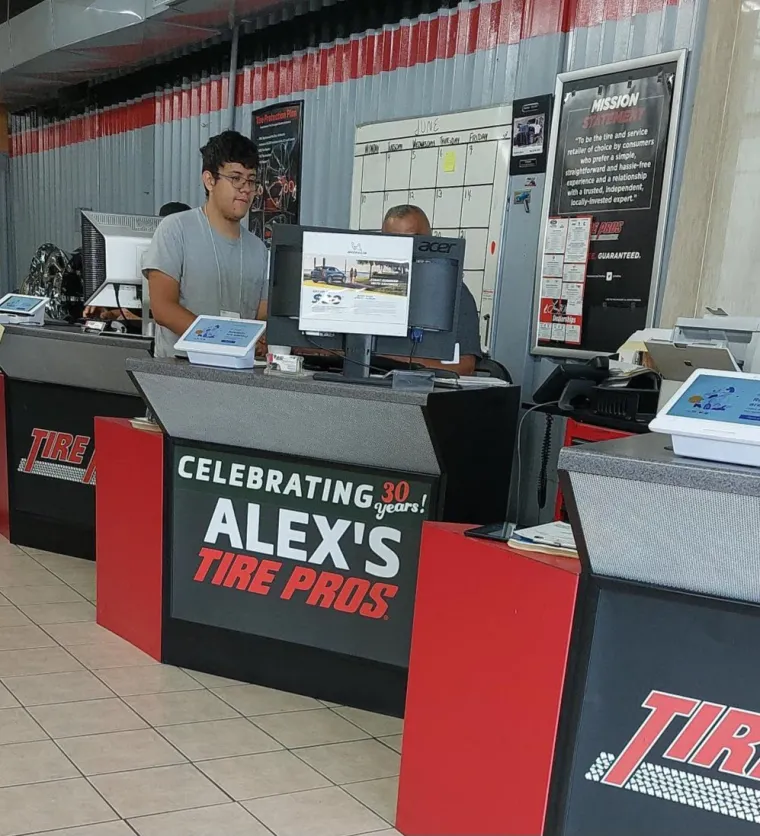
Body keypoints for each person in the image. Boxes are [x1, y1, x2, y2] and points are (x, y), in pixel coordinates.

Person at [143, 131, 268, 358]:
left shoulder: (258, 249)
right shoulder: (176, 229)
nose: (246, 189)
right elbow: (162, 309)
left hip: (240, 376)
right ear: (210, 180)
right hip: (180, 374)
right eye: (236, 178)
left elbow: (260, 313)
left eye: (251, 180)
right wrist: (224, 341)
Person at [381, 204, 482, 376]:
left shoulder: (454, 294)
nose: (401, 250)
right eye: (392, 241)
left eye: (412, 241)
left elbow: (465, 367)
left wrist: (390, 361)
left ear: (430, 242)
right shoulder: (368, 288)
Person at [83, 201, 192, 322]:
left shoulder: (192, 269)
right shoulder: (152, 258)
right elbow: (144, 306)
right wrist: (109, 311)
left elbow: (184, 318)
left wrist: (140, 320)